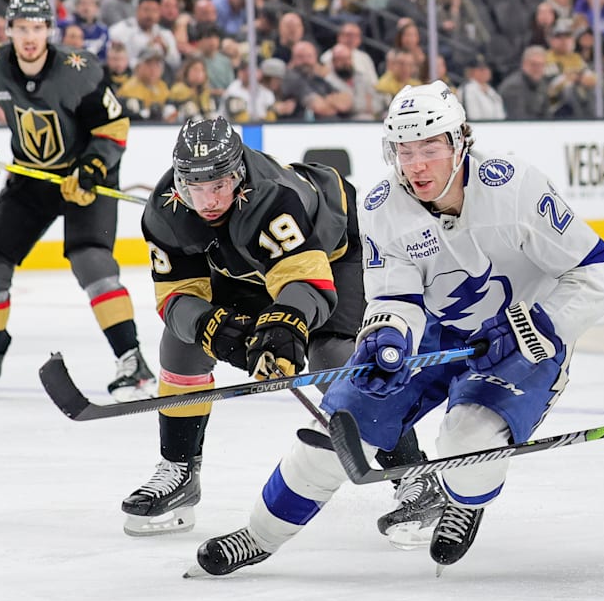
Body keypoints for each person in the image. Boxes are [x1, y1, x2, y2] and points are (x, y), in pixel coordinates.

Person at [188, 81, 604, 577]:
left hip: (522, 339)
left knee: (467, 439)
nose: (416, 165)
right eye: (404, 150)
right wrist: (386, 335)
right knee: (337, 428)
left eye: (429, 148)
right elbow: (394, 297)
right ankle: (260, 535)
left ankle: (463, 501)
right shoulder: (381, 206)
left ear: (460, 141)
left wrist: (534, 326)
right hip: (436, 330)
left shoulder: (515, 187)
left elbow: (596, 272)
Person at [131, 117, 443, 541]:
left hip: (334, 253)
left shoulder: (272, 196)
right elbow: (176, 296)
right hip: (250, 267)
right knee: (183, 342)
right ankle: (179, 470)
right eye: (196, 188)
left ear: (238, 174)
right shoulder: (165, 211)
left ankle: (413, 473)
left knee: (334, 358)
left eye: (219, 185)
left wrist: (282, 330)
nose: (209, 201)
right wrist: (215, 330)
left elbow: (306, 282)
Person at [0, 0, 154, 399]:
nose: (30, 37)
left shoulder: (78, 70)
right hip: (33, 176)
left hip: (85, 177)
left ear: (49, 31)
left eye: (38, 28)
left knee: (92, 262)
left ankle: (133, 362)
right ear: (9, 30)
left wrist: (92, 168)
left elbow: (113, 127)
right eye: (22, 28)